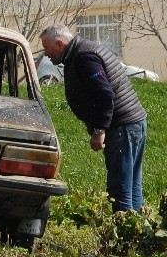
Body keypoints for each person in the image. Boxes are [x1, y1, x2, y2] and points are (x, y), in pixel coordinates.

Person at [39, 25, 147, 212]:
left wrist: (99, 130)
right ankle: (137, 235)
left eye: (47, 48)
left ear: (59, 43)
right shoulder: (82, 51)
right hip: (131, 124)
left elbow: (104, 94)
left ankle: (125, 235)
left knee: (120, 190)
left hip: (121, 128)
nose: (46, 54)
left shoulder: (84, 57)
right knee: (131, 187)